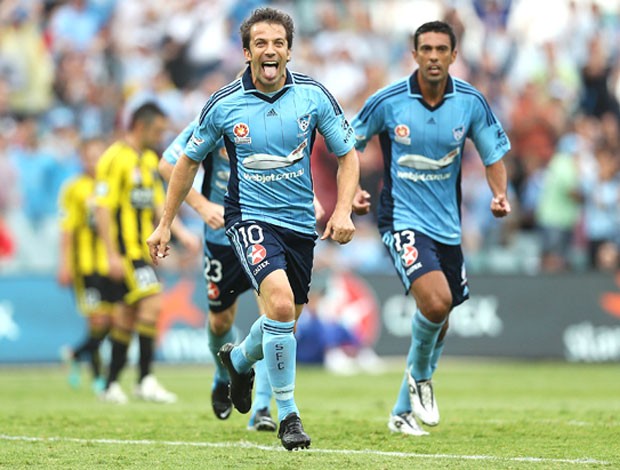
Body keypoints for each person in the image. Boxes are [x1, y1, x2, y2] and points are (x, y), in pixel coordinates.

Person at [147, 7, 363, 450]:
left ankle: (240, 360)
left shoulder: (314, 96)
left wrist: (342, 210)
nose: (270, 50)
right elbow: (183, 161)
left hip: (301, 225)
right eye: (260, 43)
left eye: (278, 42)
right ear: (246, 52)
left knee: (283, 320)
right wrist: (166, 223)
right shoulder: (223, 104)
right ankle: (286, 414)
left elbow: (348, 155)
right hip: (248, 221)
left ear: (288, 49)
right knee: (275, 309)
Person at [351, 21, 511, 436]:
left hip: (447, 227)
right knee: (436, 303)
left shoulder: (471, 103)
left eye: (442, 49)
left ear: (454, 55)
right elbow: (350, 144)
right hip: (401, 217)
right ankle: (421, 379)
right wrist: (351, 193)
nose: (435, 56)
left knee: (443, 316)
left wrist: (499, 194)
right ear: (415, 53)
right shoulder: (388, 102)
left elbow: (493, 154)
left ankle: (402, 411)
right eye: (427, 49)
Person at [159, 123, 277, 431]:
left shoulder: (279, 115)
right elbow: (167, 163)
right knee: (220, 322)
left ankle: (262, 406)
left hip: (266, 233)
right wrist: (201, 205)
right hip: (222, 238)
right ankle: (225, 374)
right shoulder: (216, 115)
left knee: (273, 316)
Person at [95, 102, 198, 404]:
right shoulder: (115, 158)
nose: (159, 136)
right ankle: (145, 378)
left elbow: (157, 205)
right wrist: (112, 254)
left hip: (141, 249)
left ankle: (110, 384)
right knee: (152, 302)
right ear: (140, 126)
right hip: (126, 252)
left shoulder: (147, 160)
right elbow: (102, 208)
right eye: (156, 130)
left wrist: (182, 234)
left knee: (127, 314)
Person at [57, 137, 117, 393]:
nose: (94, 161)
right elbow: (68, 229)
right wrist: (65, 264)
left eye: (98, 156)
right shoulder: (74, 189)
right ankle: (98, 378)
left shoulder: (111, 185)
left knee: (114, 320)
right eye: (89, 156)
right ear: (81, 159)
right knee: (97, 320)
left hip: (110, 265)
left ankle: (74, 354)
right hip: (86, 267)